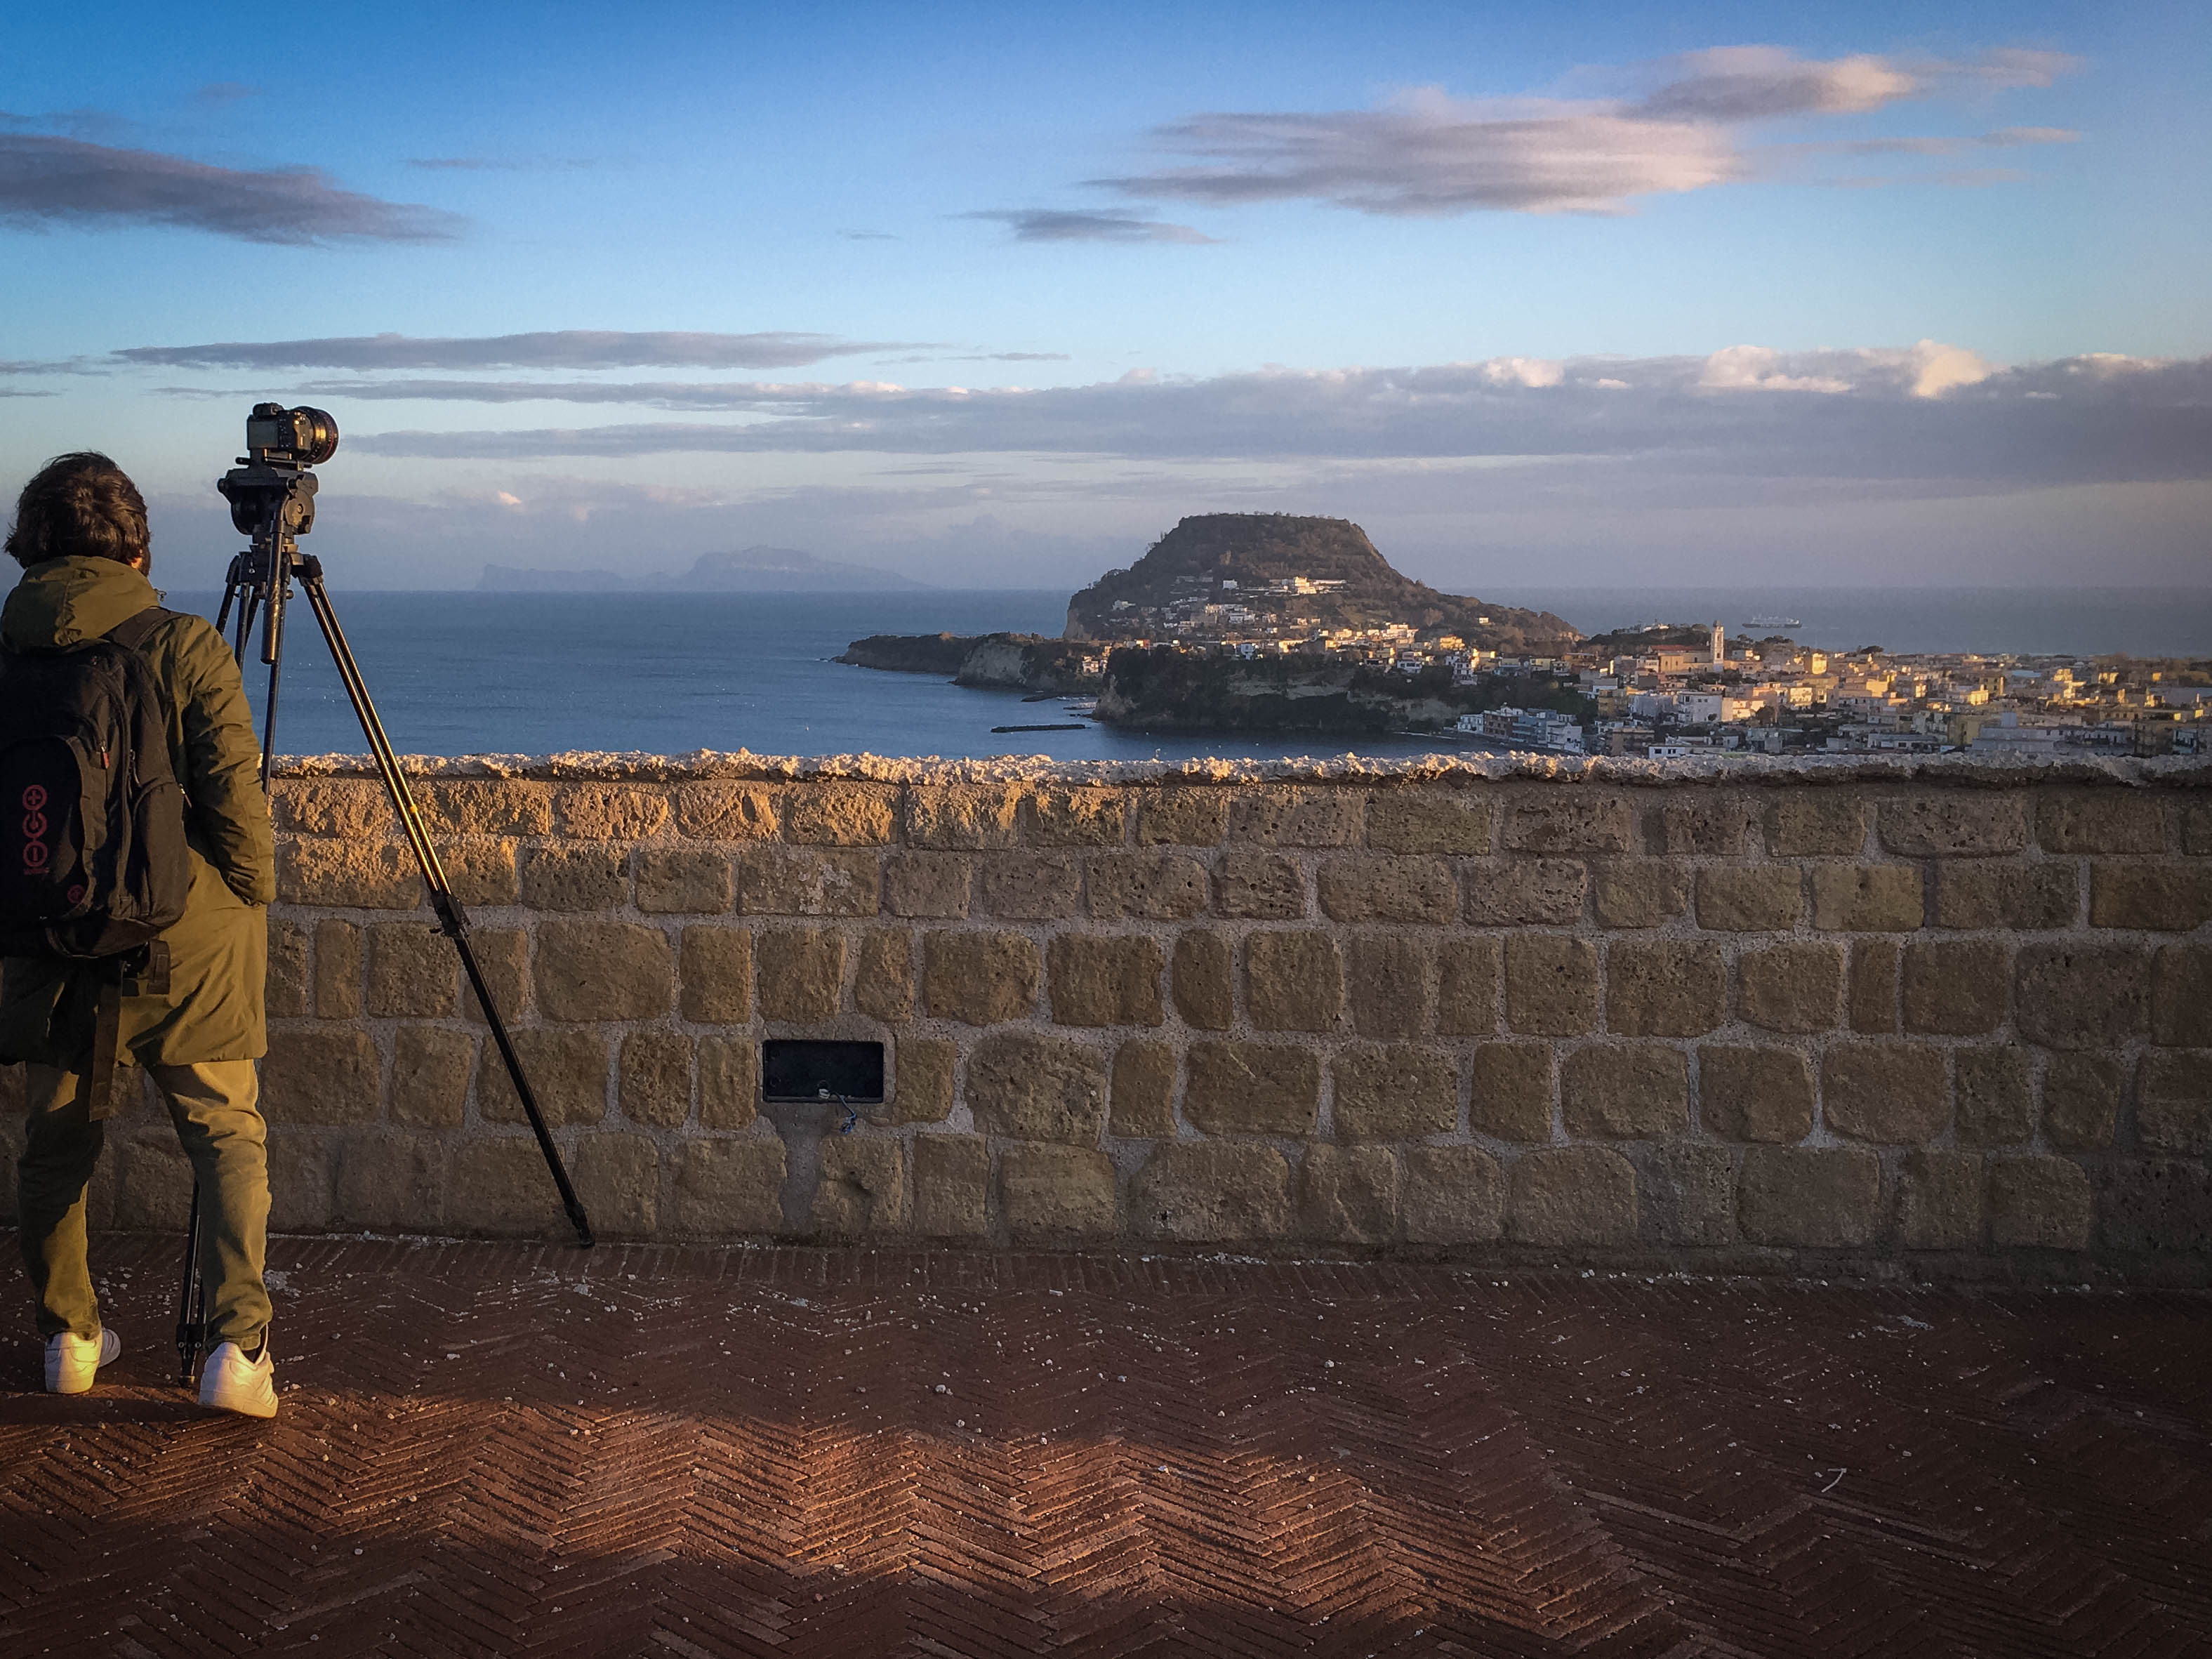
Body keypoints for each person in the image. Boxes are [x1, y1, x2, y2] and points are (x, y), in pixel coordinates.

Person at [1, 453, 279, 1417]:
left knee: (55, 1143)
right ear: (135, 544)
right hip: (183, 932)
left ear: (31, 544)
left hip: (51, 930)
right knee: (224, 1134)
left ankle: (68, 1338)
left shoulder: (9, 648)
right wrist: (251, 894)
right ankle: (236, 1355)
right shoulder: (184, 645)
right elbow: (233, 798)